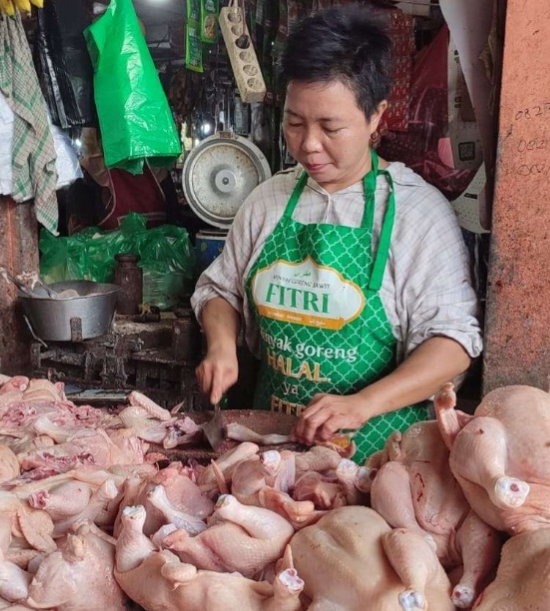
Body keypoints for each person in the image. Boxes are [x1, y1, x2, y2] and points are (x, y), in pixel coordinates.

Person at [192, 5, 481, 462]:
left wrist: (361, 405)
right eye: (294, 122)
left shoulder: (416, 214)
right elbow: (220, 289)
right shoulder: (267, 201)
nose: (308, 143)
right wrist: (222, 345)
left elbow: (453, 345)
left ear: (375, 117)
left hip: (378, 461)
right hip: (273, 454)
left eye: (330, 127)